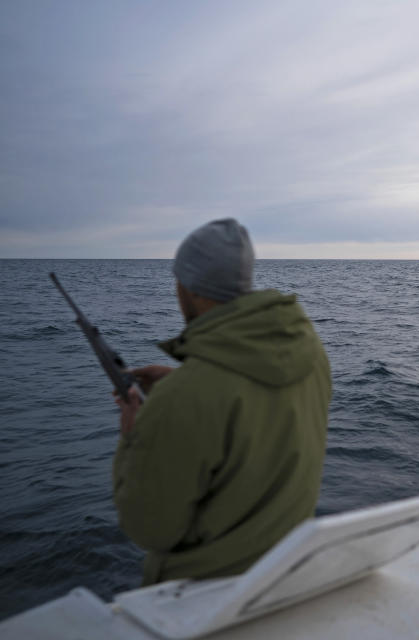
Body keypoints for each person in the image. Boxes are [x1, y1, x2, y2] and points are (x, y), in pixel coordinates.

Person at [113, 218, 332, 585]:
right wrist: (183, 386)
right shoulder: (311, 354)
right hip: (286, 569)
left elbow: (149, 530)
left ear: (192, 289)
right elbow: (258, 412)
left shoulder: (184, 396)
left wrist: (134, 435)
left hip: (207, 589)